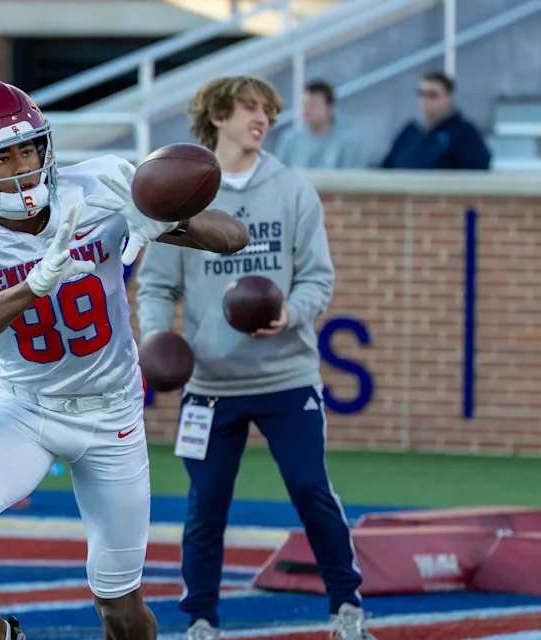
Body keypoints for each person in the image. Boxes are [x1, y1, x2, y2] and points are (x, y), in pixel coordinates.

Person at [0, 79, 249, 640]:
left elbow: (233, 236)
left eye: (27, 149)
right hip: (25, 409)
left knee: (119, 606)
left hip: (113, 414)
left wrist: (159, 216)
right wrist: (31, 288)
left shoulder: (97, 185)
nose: (21, 166)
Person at [136, 76, 375, 640]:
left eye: (267, 108)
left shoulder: (293, 190)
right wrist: (156, 337)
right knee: (206, 509)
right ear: (217, 116)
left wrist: (291, 314)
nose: (261, 117)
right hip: (212, 385)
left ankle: (348, 611)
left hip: (286, 377)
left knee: (312, 493)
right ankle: (200, 621)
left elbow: (318, 278)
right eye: (248, 107)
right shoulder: (181, 196)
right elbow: (156, 287)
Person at [380, 70, 491, 170]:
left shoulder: (464, 133)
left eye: (432, 95)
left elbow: (476, 172)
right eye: (421, 94)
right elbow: (387, 166)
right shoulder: (410, 131)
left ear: (449, 98)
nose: (425, 100)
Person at [276, 80, 362, 169]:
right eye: (304, 104)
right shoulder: (289, 140)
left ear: (330, 108)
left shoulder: (348, 143)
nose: (307, 109)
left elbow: (354, 179)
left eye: (314, 104)